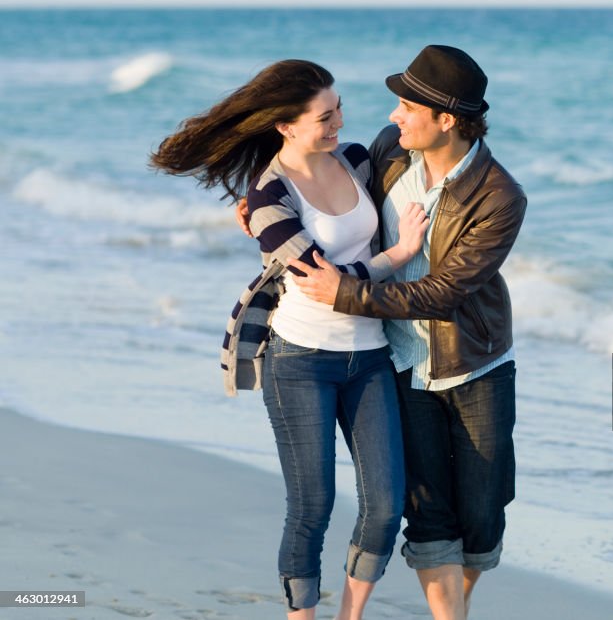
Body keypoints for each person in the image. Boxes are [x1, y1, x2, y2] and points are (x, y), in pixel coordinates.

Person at [150, 59, 429, 620]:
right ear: (285, 125)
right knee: (313, 504)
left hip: (370, 354)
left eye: (338, 110)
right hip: (299, 360)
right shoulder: (268, 196)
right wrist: (399, 256)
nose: (338, 123)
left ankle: (350, 615)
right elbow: (327, 284)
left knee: (385, 507)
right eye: (324, 117)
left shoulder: (352, 160)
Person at [282, 45, 527, 620]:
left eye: (407, 105)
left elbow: (443, 295)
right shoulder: (392, 151)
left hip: (475, 363)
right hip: (398, 362)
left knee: (484, 511)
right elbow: (310, 163)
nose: (393, 115)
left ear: (447, 120)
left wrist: (347, 294)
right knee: (429, 508)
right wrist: (260, 201)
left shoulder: (499, 197)